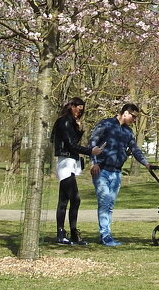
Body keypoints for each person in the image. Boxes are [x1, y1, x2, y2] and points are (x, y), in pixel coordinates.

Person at [88, 103, 151, 246]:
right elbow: (92, 142)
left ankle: (106, 233)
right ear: (125, 113)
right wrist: (94, 162)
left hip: (116, 172)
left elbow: (135, 149)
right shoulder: (106, 124)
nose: (134, 120)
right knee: (104, 202)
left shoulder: (128, 132)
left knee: (110, 204)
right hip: (102, 169)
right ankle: (105, 235)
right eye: (133, 117)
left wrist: (146, 163)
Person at [51, 97, 103, 245]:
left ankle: (64, 233)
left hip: (70, 161)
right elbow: (71, 145)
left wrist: (79, 130)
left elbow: (72, 142)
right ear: (71, 106)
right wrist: (90, 151)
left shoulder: (69, 122)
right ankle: (69, 232)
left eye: (81, 111)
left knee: (64, 200)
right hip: (66, 162)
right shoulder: (64, 121)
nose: (79, 113)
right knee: (75, 199)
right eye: (77, 109)